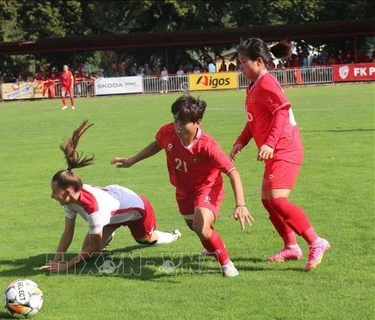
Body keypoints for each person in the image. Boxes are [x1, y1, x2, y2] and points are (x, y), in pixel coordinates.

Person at [111, 96, 253, 278]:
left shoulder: (207, 146)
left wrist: (240, 204)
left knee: (202, 227)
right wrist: (132, 160)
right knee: (196, 227)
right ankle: (212, 248)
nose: (178, 127)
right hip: (183, 190)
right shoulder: (168, 131)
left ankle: (226, 264)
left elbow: (232, 171)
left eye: (183, 123)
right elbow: (157, 144)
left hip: (207, 187)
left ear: (197, 122)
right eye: (176, 121)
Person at [232, 38, 330, 271]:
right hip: (274, 149)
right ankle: (291, 247)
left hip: (286, 148)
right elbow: (255, 120)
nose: (240, 68)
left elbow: (281, 112)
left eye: (243, 63)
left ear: (258, 61)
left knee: (277, 199)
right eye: (239, 63)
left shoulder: (267, 83)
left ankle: (317, 242)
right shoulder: (254, 84)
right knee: (268, 202)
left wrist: (270, 143)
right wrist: (241, 141)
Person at [39, 120, 181, 272]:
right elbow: (68, 233)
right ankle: (109, 231)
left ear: (67, 192)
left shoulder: (94, 210)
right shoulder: (71, 199)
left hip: (138, 210)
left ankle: (173, 235)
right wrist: (55, 261)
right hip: (112, 211)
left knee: (145, 239)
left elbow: (93, 246)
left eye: (55, 192)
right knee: (91, 254)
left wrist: (66, 265)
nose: (52, 196)